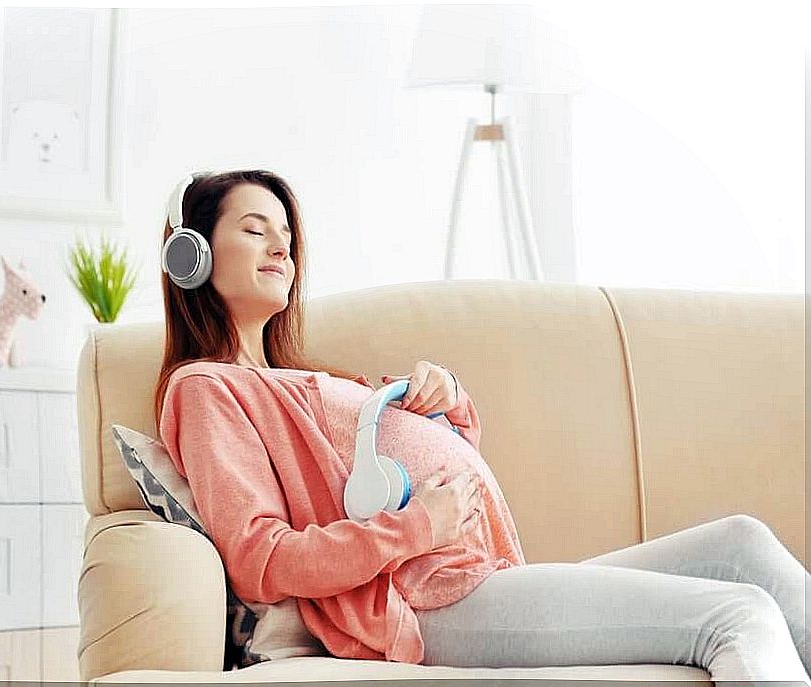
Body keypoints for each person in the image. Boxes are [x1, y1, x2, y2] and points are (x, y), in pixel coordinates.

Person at [153, 169, 810, 683]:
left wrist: (447, 409)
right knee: (737, 614)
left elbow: (425, 477)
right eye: (254, 229)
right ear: (195, 254)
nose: (281, 247)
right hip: (429, 599)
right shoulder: (206, 387)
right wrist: (418, 527)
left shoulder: (308, 379)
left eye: (287, 238)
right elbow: (260, 559)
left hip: (479, 572)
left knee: (741, 545)